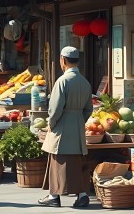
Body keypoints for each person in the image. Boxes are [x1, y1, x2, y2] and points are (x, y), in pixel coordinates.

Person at [38, 46, 93, 208]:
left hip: (62, 124)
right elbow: (89, 109)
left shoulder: (62, 81)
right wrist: (78, 120)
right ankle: (82, 194)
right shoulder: (85, 82)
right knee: (77, 161)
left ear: (63, 60)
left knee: (58, 160)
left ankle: (54, 195)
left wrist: (51, 123)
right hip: (77, 123)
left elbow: (55, 109)